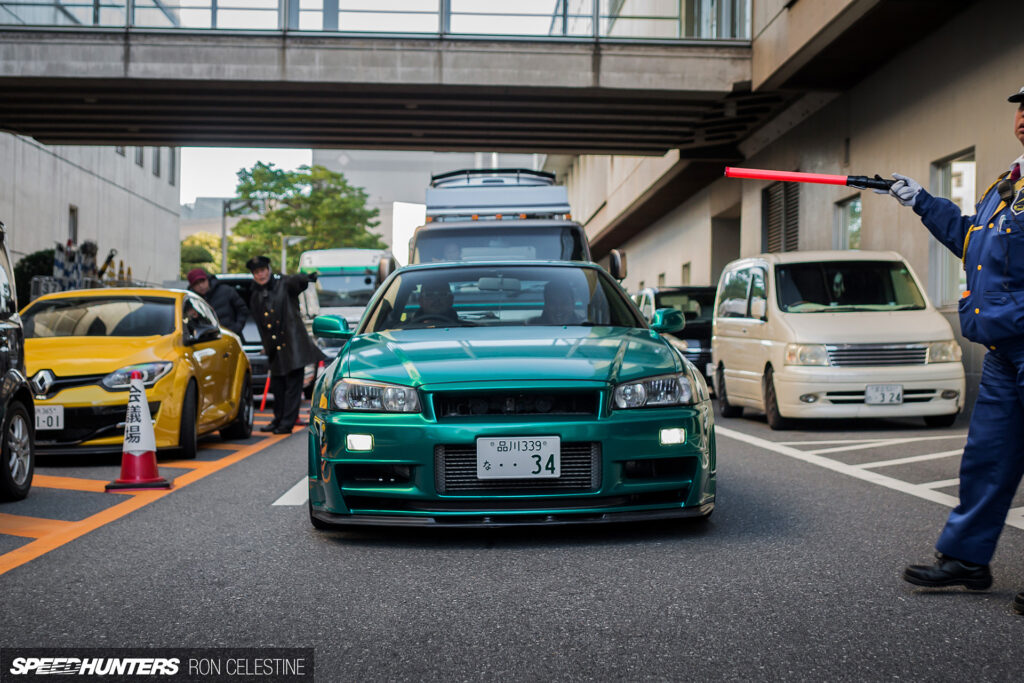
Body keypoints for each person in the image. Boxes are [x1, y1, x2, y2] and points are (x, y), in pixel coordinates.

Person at [880, 85, 1024, 613]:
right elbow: (972, 242)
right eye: (1022, 109)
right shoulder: (1008, 183)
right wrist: (922, 201)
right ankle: (968, 557)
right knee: (986, 457)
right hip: (1004, 348)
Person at [245, 255, 325, 435]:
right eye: (257, 272)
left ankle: (287, 423)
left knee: (292, 386)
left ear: (269, 270)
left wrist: (307, 277)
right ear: (253, 275)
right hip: (275, 347)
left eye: (263, 270)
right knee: (278, 386)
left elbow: (298, 282)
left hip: (293, 344)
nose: (261, 274)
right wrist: (266, 345)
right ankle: (278, 418)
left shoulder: (284, 284)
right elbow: (260, 324)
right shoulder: (256, 295)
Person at [186, 268, 249, 337]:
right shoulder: (190, 300)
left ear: (207, 279)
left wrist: (237, 327)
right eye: (196, 284)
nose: (201, 286)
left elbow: (242, 310)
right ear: (192, 286)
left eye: (202, 281)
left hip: (231, 335)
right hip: (205, 339)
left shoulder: (226, 291)